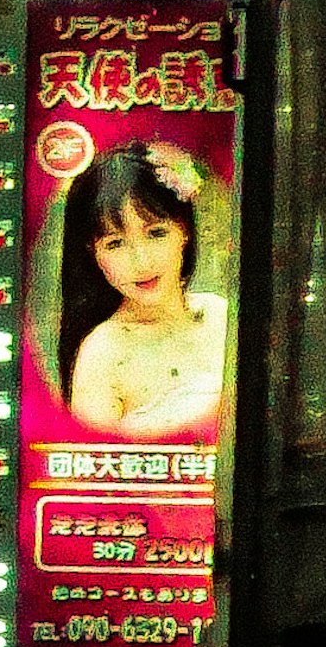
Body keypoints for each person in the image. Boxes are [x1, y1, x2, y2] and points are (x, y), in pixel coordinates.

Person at [57, 135, 227, 437]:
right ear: (93, 253)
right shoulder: (103, 352)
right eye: (115, 243)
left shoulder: (222, 316)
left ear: (183, 231)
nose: (141, 261)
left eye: (156, 233)